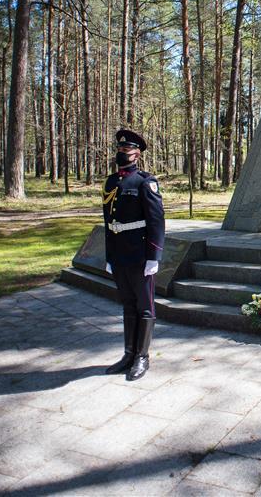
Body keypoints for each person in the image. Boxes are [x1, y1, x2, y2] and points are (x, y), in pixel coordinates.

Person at [101, 129, 165, 381]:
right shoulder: (111, 182)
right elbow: (108, 221)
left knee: (145, 307)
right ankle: (128, 354)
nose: (121, 153)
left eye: (126, 150)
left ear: (137, 154)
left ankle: (142, 356)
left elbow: (156, 221)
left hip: (140, 254)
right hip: (119, 254)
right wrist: (108, 255)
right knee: (128, 305)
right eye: (119, 150)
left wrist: (154, 257)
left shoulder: (144, 182)